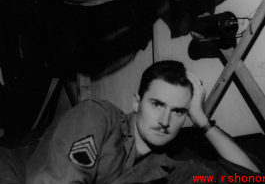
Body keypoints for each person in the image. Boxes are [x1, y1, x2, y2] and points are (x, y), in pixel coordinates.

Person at [24, 60, 263, 184]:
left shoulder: (168, 170)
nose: (165, 121)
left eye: (178, 111)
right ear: (137, 103)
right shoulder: (97, 115)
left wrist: (201, 119)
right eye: (157, 104)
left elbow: (250, 178)